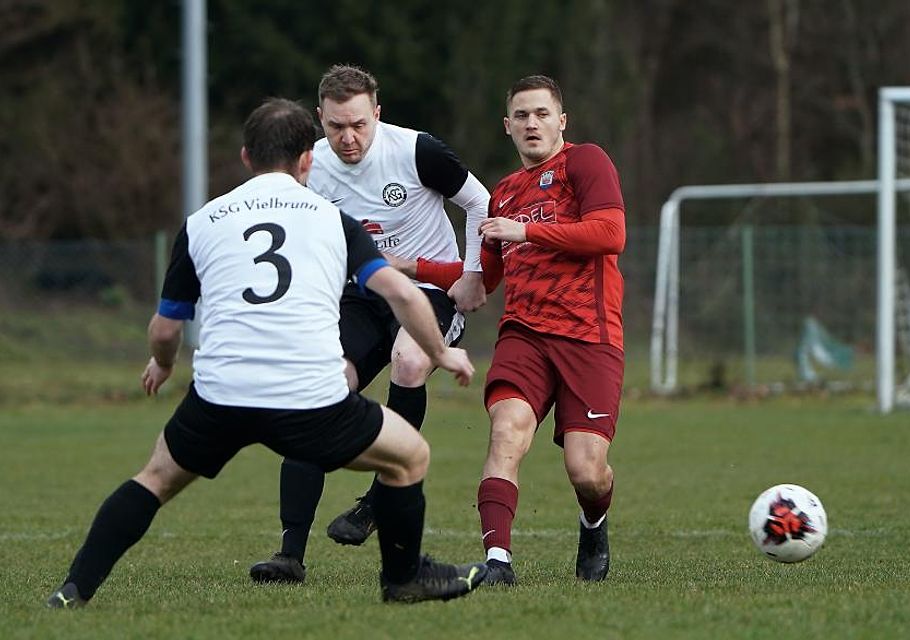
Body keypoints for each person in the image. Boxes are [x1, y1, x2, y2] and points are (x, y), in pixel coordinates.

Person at [45, 98, 487, 608]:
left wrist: (163, 365)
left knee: (155, 479)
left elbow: (165, 329)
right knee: (410, 456)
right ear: (307, 159)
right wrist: (442, 352)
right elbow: (402, 294)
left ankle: (73, 591)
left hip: (220, 395)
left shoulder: (202, 221)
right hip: (307, 398)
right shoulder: (334, 220)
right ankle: (403, 579)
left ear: (245, 157)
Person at [249, 65, 492, 583]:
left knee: (409, 361)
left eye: (359, 124)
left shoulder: (417, 150)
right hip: (357, 297)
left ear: (377, 114)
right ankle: (290, 554)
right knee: (320, 389)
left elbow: (479, 202)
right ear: (320, 119)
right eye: (337, 126)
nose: (349, 137)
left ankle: (381, 496)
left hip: (424, 293)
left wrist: (472, 274)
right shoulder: (309, 167)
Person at [472, 75, 627, 585]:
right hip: (524, 335)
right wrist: (406, 268)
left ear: (562, 121)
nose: (531, 123)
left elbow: (610, 233)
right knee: (506, 430)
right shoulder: (503, 194)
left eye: (541, 114)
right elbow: (481, 280)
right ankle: (498, 562)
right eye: (521, 115)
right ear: (507, 126)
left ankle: (593, 521)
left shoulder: (585, 162)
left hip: (589, 335)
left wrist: (527, 230)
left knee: (587, 471)